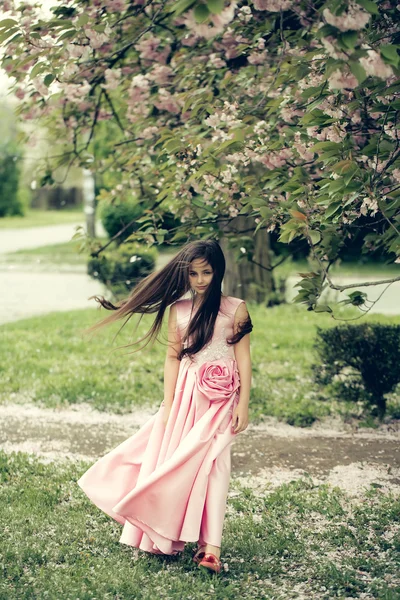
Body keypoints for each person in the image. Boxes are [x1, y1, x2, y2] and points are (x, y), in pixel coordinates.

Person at [77, 239, 253, 574]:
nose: (200, 279)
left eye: (207, 272)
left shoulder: (236, 309)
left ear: (219, 272)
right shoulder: (180, 310)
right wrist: (169, 403)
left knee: (215, 466)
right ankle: (164, 534)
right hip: (187, 399)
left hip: (220, 400)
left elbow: (244, 359)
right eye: (193, 273)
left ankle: (211, 548)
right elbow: (173, 358)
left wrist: (243, 402)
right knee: (175, 465)